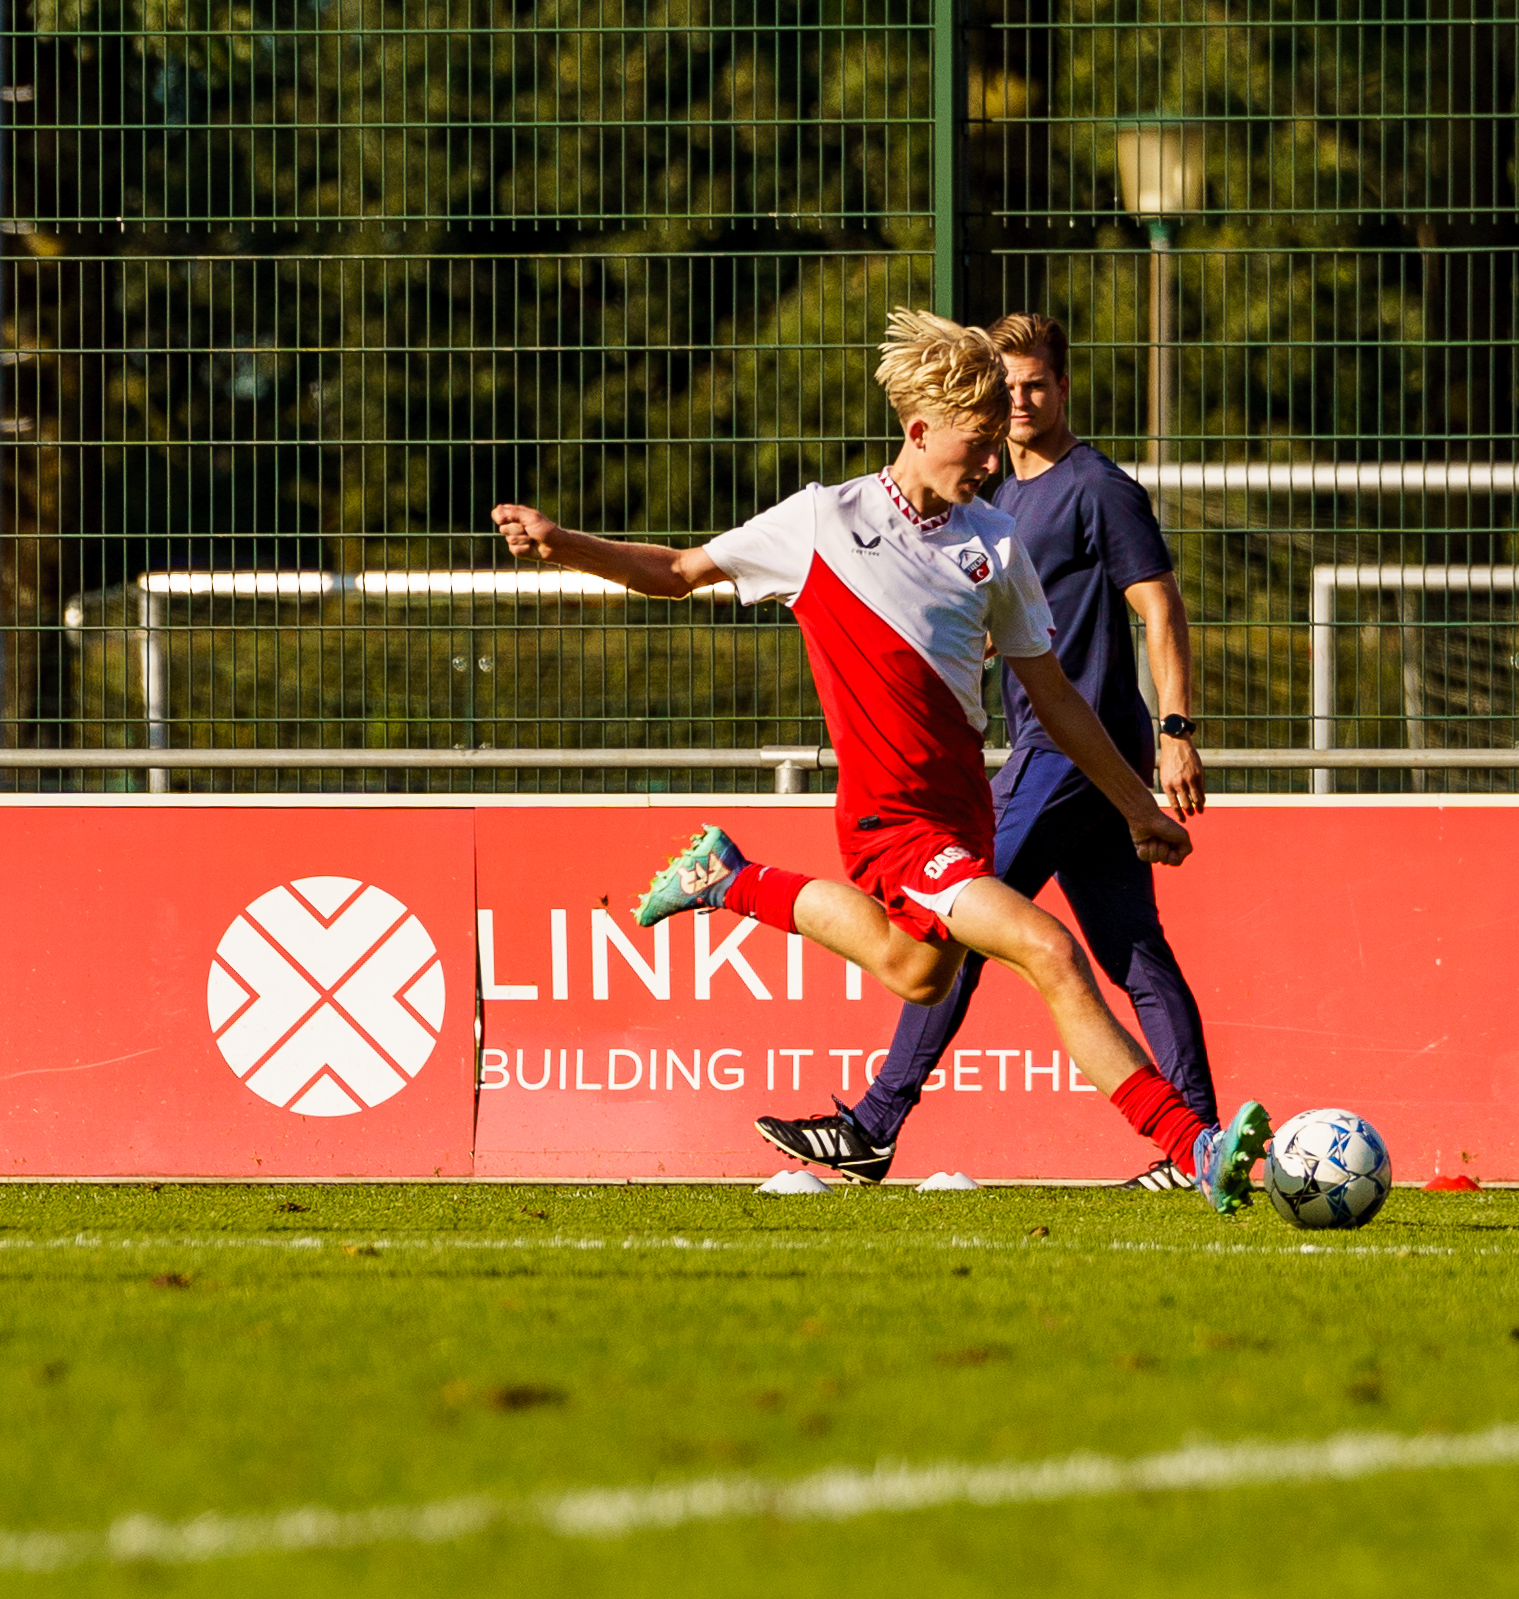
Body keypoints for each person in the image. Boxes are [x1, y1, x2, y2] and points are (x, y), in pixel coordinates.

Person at [490, 306, 1273, 1211]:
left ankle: (731, 878)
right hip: (891, 822)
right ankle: (1192, 1144)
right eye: (977, 441)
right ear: (919, 429)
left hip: (962, 815)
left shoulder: (994, 543)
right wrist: (563, 543)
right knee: (1048, 947)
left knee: (917, 970)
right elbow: (676, 571)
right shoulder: (820, 521)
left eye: (997, 441)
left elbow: (1056, 696)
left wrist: (1136, 803)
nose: (991, 461)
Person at [754, 312, 1221, 1189]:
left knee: (958, 922)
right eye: (1006, 389)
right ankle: (1199, 1142)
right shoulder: (990, 499)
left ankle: (873, 1123)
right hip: (1067, 753)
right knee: (1132, 949)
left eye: (1034, 385)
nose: (1019, 402)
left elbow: (1158, 605)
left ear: (1063, 387)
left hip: (1070, 748)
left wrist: (1175, 730)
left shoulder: (1096, 488)